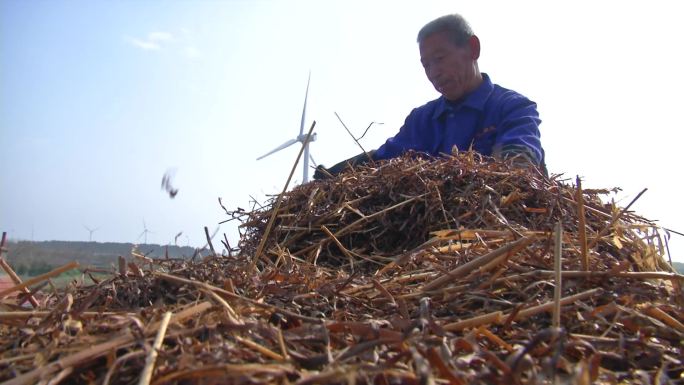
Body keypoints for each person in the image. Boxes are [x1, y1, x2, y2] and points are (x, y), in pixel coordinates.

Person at [314, 13, 545, 179]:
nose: (433, 73)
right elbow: (384, 159)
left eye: (440, 58)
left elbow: (518, 164)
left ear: (473, 49)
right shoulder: (422, 120)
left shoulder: (513, 108)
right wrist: (333, 174)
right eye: (426, 65)